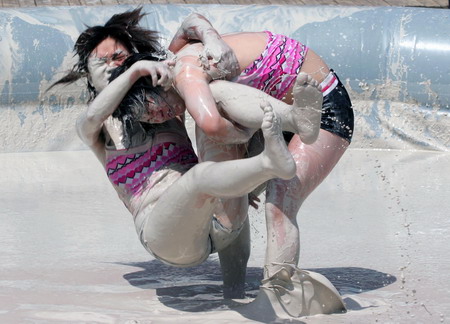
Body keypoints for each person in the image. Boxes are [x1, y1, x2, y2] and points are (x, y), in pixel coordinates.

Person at [167, 13, 354, 299]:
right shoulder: (177, 61)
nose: (159, 115)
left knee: (280, 200)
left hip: (321, 106)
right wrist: (242, 173)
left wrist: (210, 36)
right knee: (228, 191)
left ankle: (278, 296)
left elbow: (211, 124)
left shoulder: (184, 71)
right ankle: (234, 292)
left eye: (153, 109)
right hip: (265, 113)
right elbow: (189, 21)